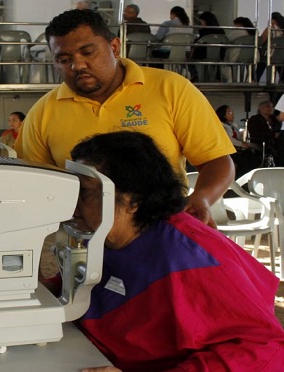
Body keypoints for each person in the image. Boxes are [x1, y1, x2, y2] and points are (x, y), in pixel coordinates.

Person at [42, 131, 284, 371]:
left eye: (84, 192)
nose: (71, 204)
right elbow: (84, 289)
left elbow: (265, 350)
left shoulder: (188, 257)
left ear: (133, 200)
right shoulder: (103, 238)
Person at [15, 9, 235, 227]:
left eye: (88, 52)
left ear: (114, 47)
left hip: (161, 228)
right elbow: (31, 182)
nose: (77, 65)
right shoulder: (42, 112)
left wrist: (203, 197)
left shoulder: (171, 89)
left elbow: (217, 160)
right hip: (83, 240)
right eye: (64, 59)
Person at [215, 105, 260, 178]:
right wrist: (241, 144)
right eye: (229, 112)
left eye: (232, 112)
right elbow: (229, 139)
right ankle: (237, 179)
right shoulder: (220, 125)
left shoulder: (233, 124)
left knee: (255, 159)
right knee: (244, 162)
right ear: (222, 114)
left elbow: (238, 138)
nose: (232, 114)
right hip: (226, 151)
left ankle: (247, 178)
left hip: (237, 149)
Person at [188, 11, 225, 82]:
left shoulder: (203, 31)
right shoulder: (221, 31)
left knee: (190, 60)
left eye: (201, 21)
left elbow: (199, 43)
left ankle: (195, 75)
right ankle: (216, 78)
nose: (201, 23)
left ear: (205, 21)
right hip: (219, 55)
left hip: (203, 55)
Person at [247, 100, 282, 165]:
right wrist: (272, 135)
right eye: (268, 106)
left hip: (276, 142)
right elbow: (254, 133)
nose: (270, 108)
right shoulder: (254, 119)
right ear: (261, 108)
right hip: (261, 142)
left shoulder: (274, 119)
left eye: (272, 107)